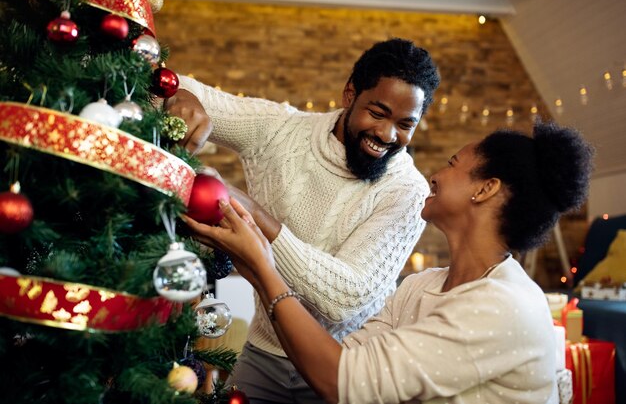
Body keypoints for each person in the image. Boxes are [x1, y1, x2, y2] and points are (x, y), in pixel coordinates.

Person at [182, 120, 594, 404]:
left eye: (452, 164)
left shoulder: (503, 305)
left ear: (485, 189)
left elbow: (341, 383)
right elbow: (342, 359)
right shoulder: (421, 286)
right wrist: (255, 262)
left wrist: (266, 268)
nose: (434, 175)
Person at [166, 38, 440, 402]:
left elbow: (345, 298)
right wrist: (180, 98)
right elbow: (179, 85)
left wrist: (254, 214)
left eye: (405, 124)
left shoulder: (407, 191)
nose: (387, 135)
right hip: (263, 353)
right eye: (377, 113)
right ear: (349, 94)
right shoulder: (282, 130)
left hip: (348, 364)